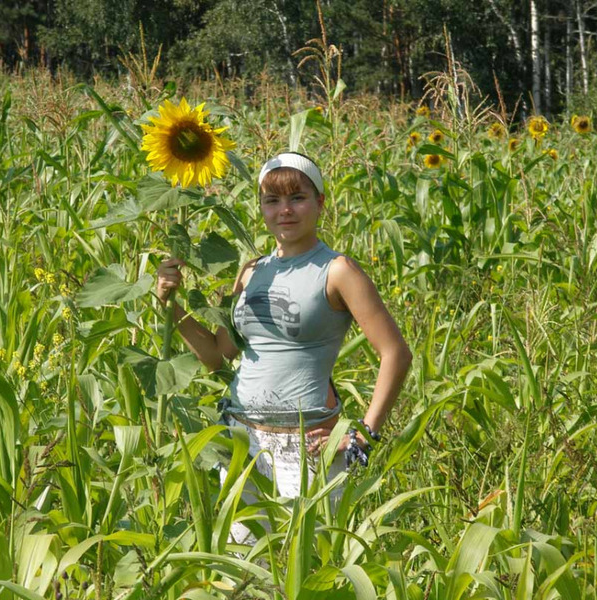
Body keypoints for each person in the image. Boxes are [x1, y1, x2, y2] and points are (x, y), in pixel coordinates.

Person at [156, 152, 412, 505]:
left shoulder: (337, 271)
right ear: (261, 207)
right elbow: (217, 355)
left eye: (297, 198)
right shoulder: (251, 271)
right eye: (272, 200)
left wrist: (362, 436)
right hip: (241, 438)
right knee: (240, 541)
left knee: (308, 542)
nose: (285, 210)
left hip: (306, 447)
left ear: (320, 203)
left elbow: (396, 353)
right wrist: (170, 305)